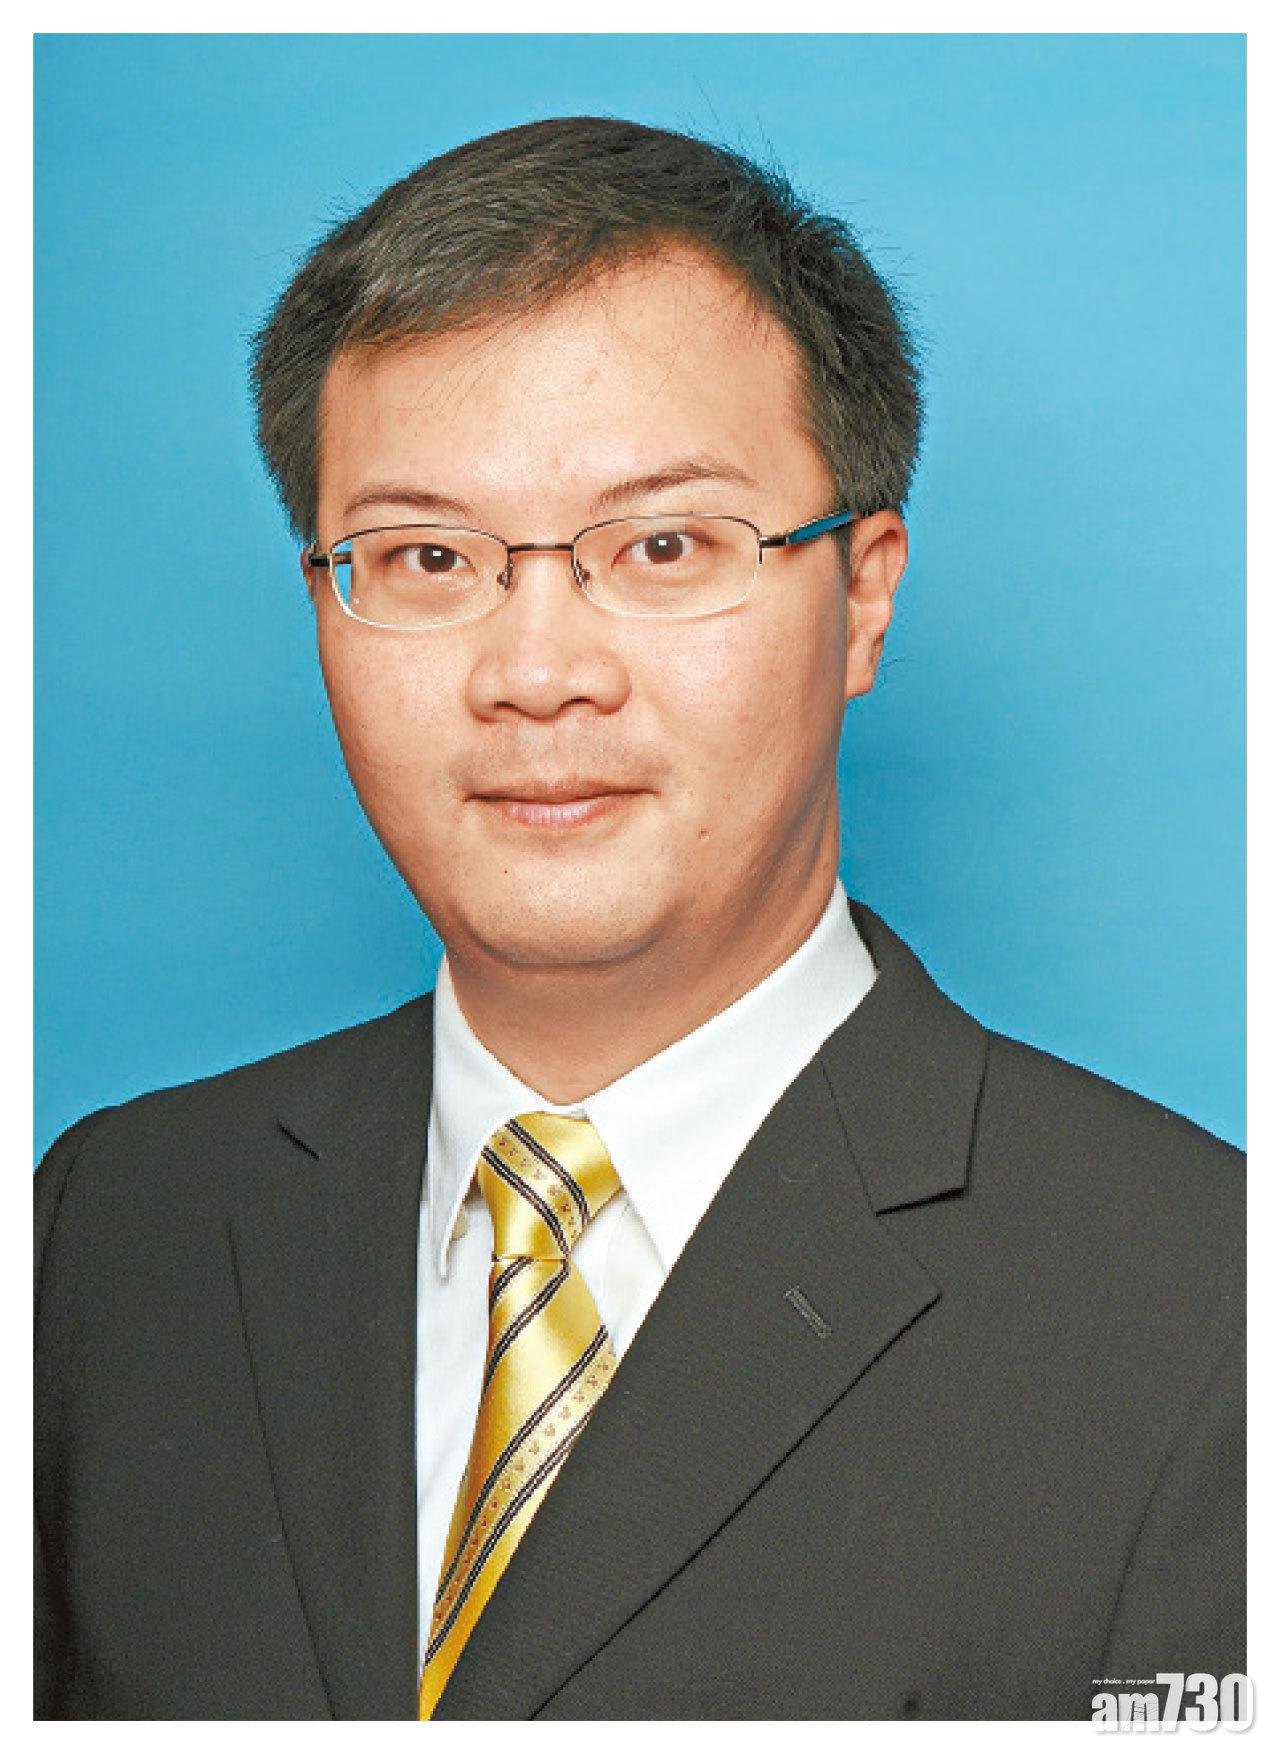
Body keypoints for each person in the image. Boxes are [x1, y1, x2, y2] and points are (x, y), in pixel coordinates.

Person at [34, 116, 1244, 1722]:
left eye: (664, 544)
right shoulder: (110, 1225)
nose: (537, 673)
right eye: (426, 554)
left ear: (865, 592)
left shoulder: (1208, 1304)